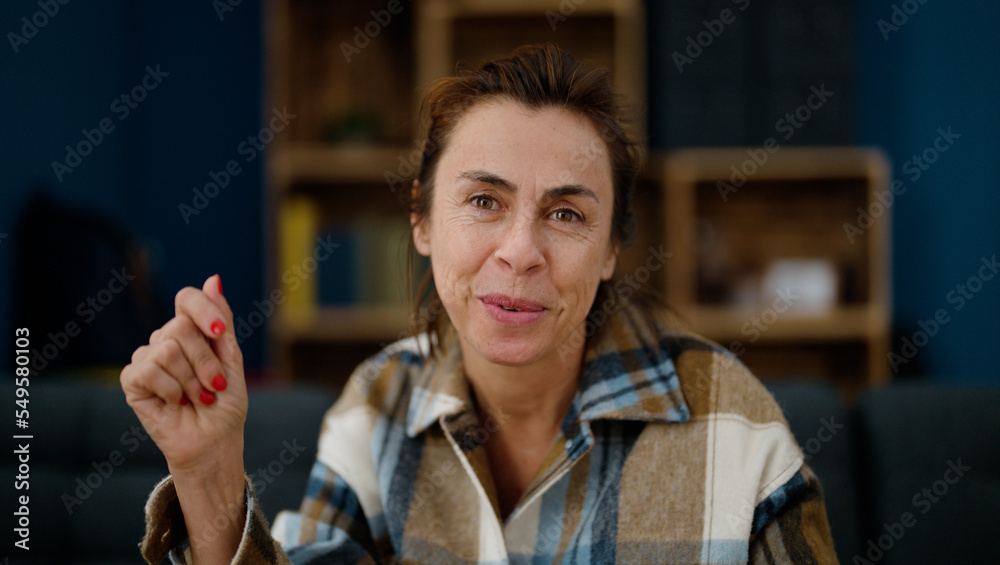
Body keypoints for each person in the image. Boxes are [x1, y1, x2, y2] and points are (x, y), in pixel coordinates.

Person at [121, 44, 838, 564]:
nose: (521, 250)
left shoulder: (738, 426)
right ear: (423, 221)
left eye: (566, 214)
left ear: (613, 247)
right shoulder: (375, 404)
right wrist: (208, 471)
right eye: (484, 201)